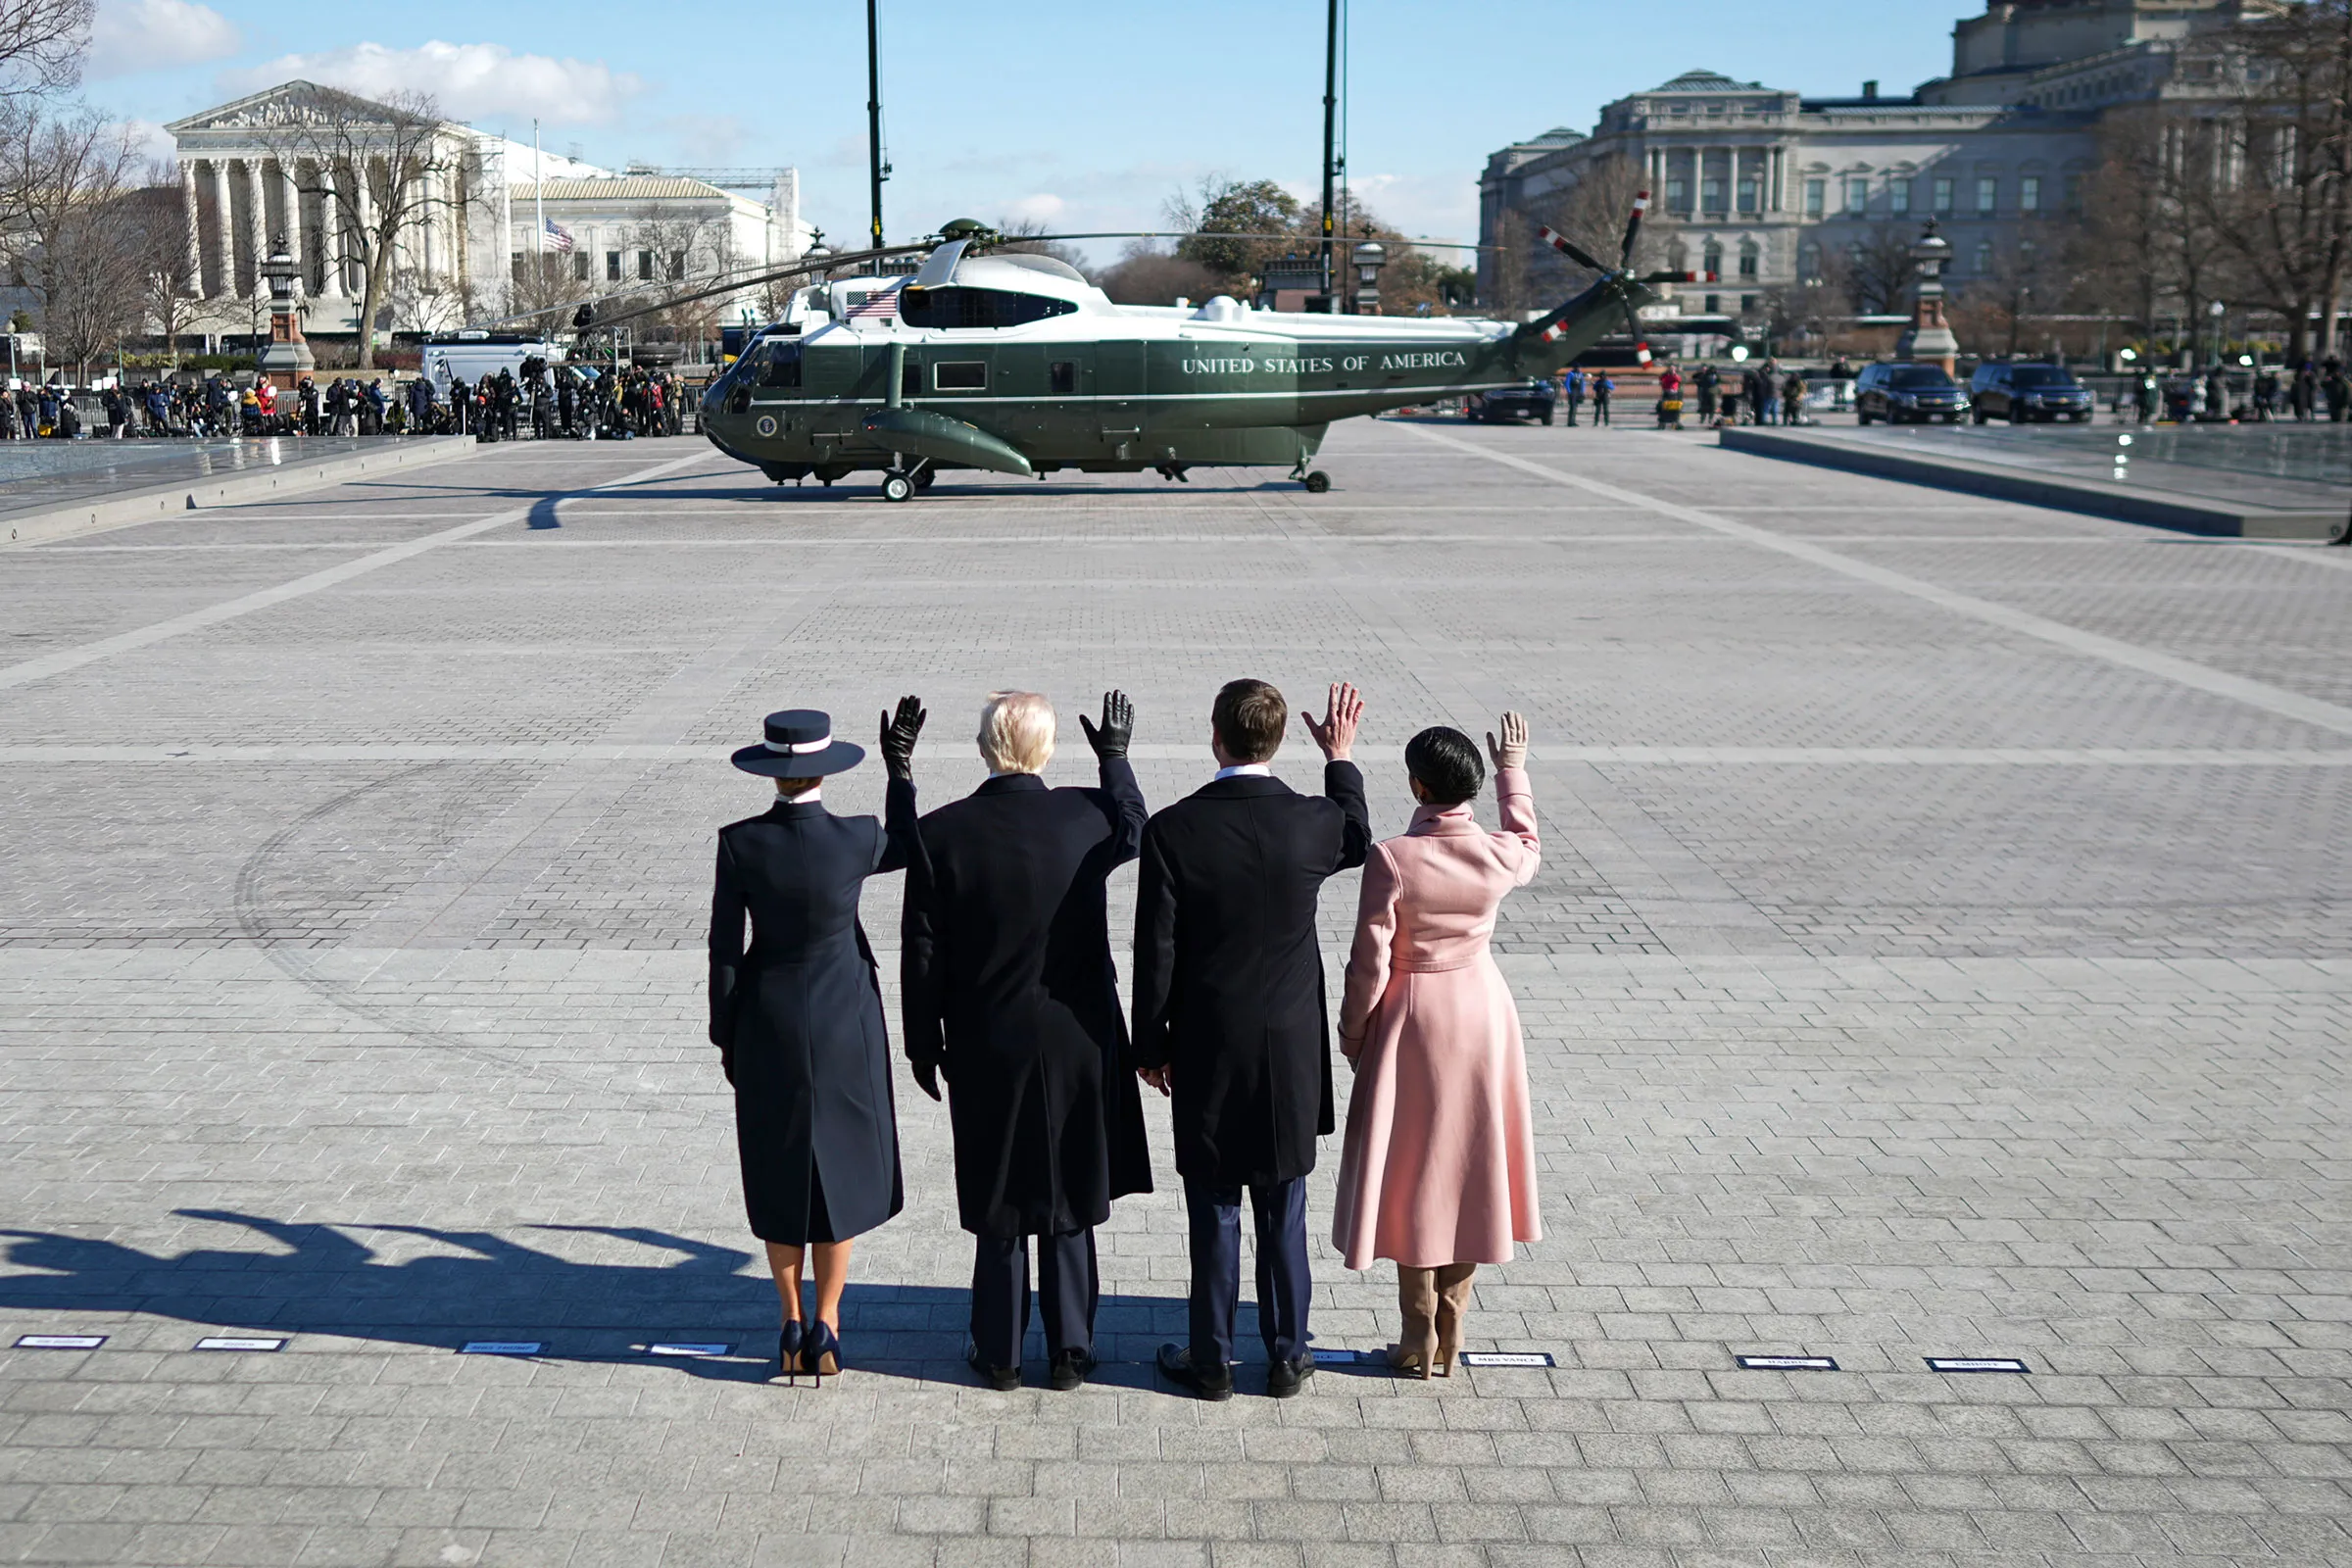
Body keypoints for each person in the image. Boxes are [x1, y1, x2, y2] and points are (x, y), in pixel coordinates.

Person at [902, 690, 1152, 1393]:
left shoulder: (942, 832)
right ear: (1045, 751)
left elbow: (922, 950)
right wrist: (1116, 761)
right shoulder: (1086, 814)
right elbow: (1135, 826)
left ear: (985, 748)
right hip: (1078, 1035)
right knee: (1072, 1184)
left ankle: (1000, 1351)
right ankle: (1072, 1347)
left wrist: (922, 1043)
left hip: (988, 1041)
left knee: (1000, 1191)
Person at [1133, 679, 1371, 1400]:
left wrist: (1149, 1044)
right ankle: (1289, 1355)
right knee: (1284, 1205)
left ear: (1215, 736)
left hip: (1207, 1042)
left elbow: (1156, 951)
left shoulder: (1173, 830)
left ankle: (1211, 1360)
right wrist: (1340, 758)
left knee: (1213, 1208)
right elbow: (1359, 837)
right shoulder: (1312, 823)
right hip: (1290, 1050)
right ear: (1277, 741)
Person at [710, 699, 926, 1384]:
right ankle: (828, 1321)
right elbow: (908, 844)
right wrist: (901, 770)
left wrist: (727, 1035)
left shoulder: (740, 842)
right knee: (837, 1169)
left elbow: (723, 950)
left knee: (779, 1172)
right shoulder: (857, 838)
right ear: (826, 769)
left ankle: (789, 1319)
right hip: (842, 1023)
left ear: (770, 773)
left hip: (768, 1021)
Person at [1331, 715, 1542, 1378]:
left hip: (1413, 1018)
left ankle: (1416, 1326)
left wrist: (1353, 1032)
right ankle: (1453, 1319)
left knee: (1413, 1170)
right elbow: (1528, 839)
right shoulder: (1500, 855)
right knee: (1474, 1166)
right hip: (1481, 1011)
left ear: (1417, 785)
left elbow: (1368, 962)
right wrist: (1514, 768)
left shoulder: (1393, 857)